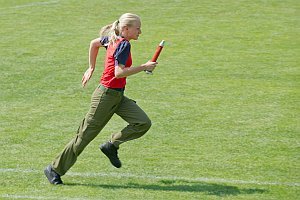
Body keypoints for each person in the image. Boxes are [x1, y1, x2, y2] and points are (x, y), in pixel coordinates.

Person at [44, 13, 157, 185]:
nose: (140, 31)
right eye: (138, 28)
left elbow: (94, 43)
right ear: (126, 29)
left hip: (117, 95)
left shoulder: (113, 38)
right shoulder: (123, 44)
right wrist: (144, 67)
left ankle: (112, 144)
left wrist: (91, 67)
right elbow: (119, 72)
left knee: (142, 122)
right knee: (84, 137)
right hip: (105, 97)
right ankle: (54, 169)